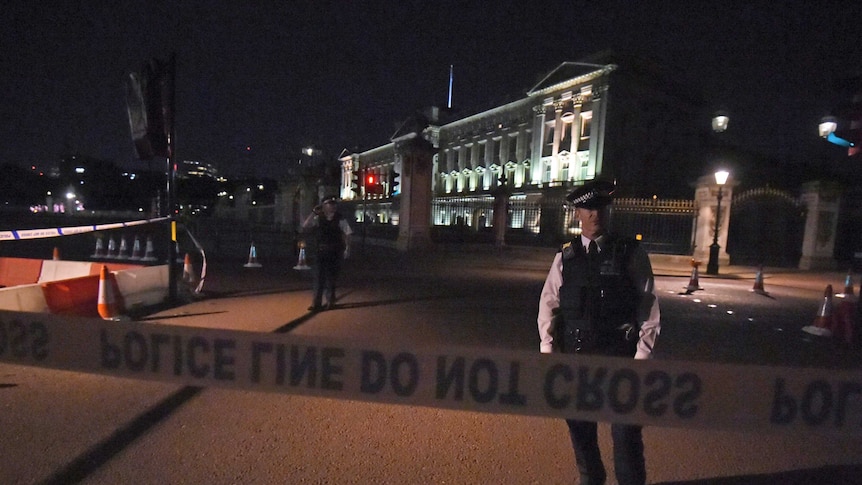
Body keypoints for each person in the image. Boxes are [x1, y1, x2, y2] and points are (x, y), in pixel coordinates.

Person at [536, 179, 660, 485]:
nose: (595, 214)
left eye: (601, 207)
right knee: (580, 429)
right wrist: (548, 349)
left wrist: (643, 355)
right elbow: (549, 303)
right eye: (588, 208)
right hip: (577, 357)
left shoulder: (630, 253)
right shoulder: (566, 256)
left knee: (626, 432)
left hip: (620, 356)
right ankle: (591, 479)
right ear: (578, 213)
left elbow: (648, 304)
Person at [301, 197, 352, 311]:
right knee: (319, 277)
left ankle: (330, 301)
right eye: (329, 204)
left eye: (334, 204)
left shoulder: (340, 219)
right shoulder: (318, 218)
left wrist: (347, 248)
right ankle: (316, 303)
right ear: (324, 206)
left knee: (331, 277)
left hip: (335, 251)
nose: (333, 206)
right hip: (321, 251)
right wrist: (313, 212)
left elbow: (348, 233)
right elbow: (305, 225)